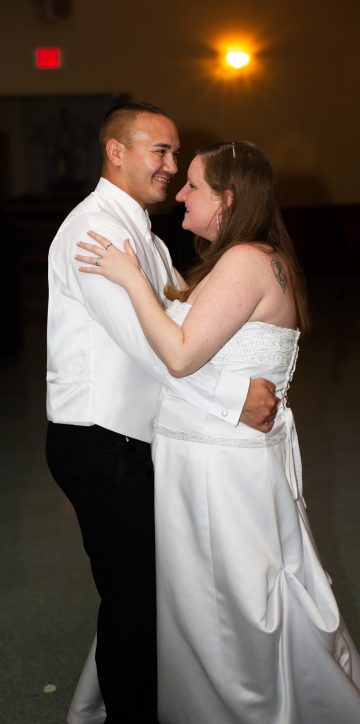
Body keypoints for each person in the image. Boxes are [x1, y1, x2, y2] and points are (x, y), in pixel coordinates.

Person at [76, 140, 360, 723]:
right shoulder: (257, 258)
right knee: (221, 595)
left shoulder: (244, 262)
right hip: (227, 457)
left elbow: (179, 356)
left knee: (220, 602)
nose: (180, 192)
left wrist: (129, 277)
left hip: (217, 470)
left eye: (195, 186)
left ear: (227, 200)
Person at [45, 103, 277, 724]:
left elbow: (184, 322)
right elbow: (153, 350)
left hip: (125, 442)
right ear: (115, 151)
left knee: (145, 596)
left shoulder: (142, 234)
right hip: (101, 439)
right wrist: (237, 399)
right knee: (136, 602)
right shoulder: (96, 231)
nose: (173, 167)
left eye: (177, 155)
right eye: (161, 152)